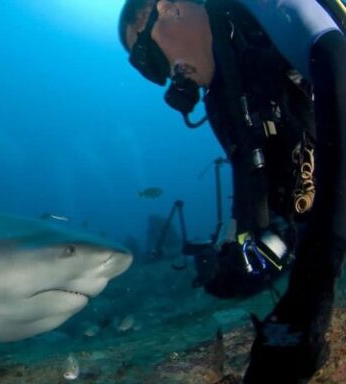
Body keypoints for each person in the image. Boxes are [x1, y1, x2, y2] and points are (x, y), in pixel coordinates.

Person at [117, 0, 346, 382]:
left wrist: (313, 289)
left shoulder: (263, 7)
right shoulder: (229, 102)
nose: (165, 76)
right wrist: (236, 264)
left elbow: (336, 59)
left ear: (169, 8)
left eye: (149, 58)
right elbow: (272, 213)